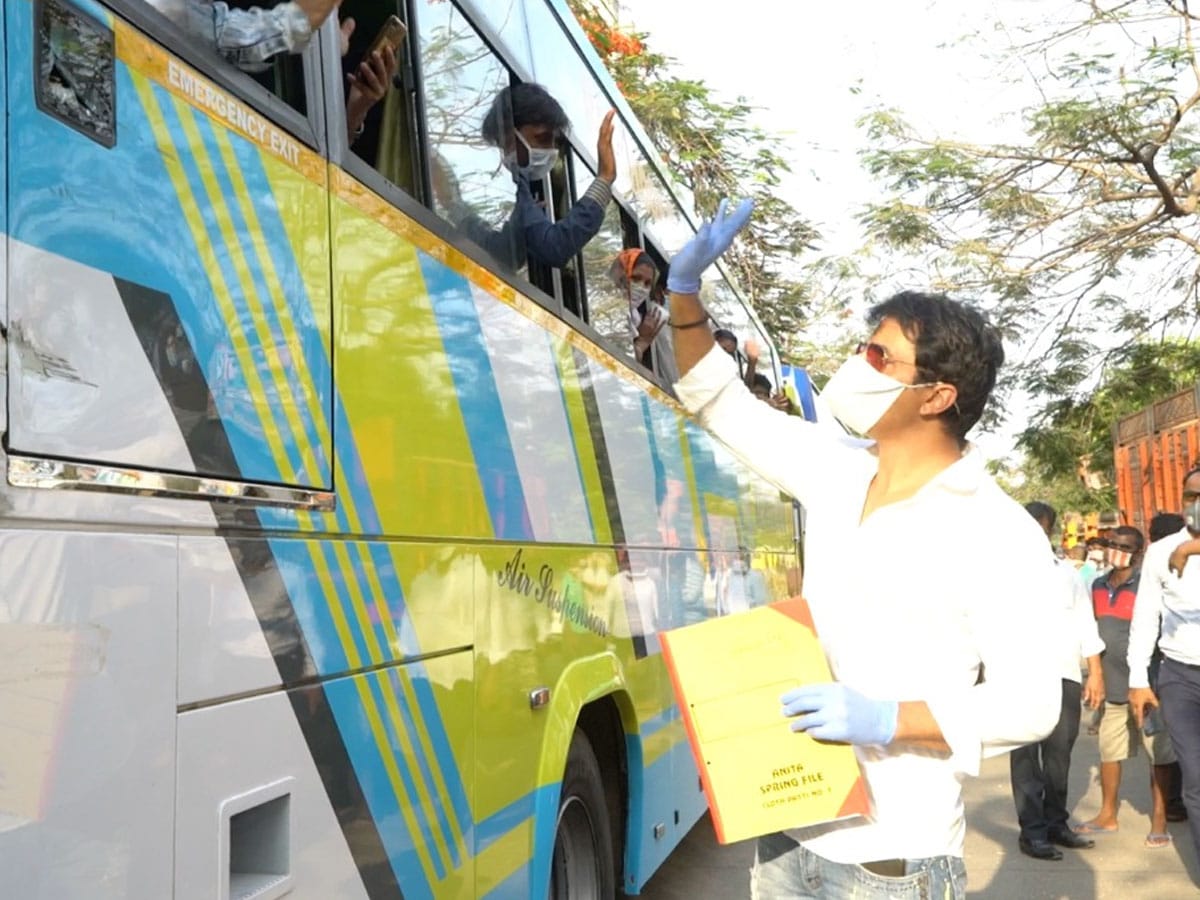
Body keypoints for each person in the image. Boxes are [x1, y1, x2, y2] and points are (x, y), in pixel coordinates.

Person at [667, 200, 1061, 899]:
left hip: (893, 862)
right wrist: (685, 293)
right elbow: (715, 399)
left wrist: (887, 718)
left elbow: (1032, 704)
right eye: (863, 346)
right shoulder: (838, 468)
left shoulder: (998, 532)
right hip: (789, 831)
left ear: (937, 395)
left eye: (881, 355)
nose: (859, 363)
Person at [1009, 502, 1106, 860]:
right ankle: (1031, 833)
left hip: (1064, 676)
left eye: (1041, 527)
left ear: (1049, 531)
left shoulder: (1067, 574)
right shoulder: (997, 573)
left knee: (1059, 757)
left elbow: (1086, 623)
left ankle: (1056, 825)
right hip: (1017, 678)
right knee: (1025, 759)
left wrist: (1094, 673)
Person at [433, 84, 616, 273]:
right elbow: (554, 246)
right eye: (542, 138)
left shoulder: (525, 191)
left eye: (553, 142)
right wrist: (604, 178)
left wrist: (453, 205)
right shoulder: (516, 188)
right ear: (508, 135)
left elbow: (505, 254)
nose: (550, 151)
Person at [1074, 526, 1176, 849]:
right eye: (1111, 544)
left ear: (1139, 552)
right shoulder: (1097, 586)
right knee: (1109, 752)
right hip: (1113, 688)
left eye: (1124, 546)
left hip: (1148, 687)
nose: (1115, 550)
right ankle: (1107, 814)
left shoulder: (1147, 587)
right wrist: (1095, 677)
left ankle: (1159, 821)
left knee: (1157, 756)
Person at [1130, 478, 1200, 868]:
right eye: (1192, 496)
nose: (1198, 503)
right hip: (1180, 679)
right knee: (1195, 780)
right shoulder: (1158, 553)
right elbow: (1145, 618)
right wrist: (1139, 680)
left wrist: (1190, 548)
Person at [1147, 512, 1189, 823]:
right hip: (1173, 670)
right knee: (1172, 755)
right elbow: (1144, 622)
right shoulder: (1158, 560)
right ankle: (1165, 812)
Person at [610, 249, 667, 359]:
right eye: (635, 278)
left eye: (647, 283)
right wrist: (641, 343)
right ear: (620, 274)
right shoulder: (609, 310)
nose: (641, 287)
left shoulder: (634, 318)